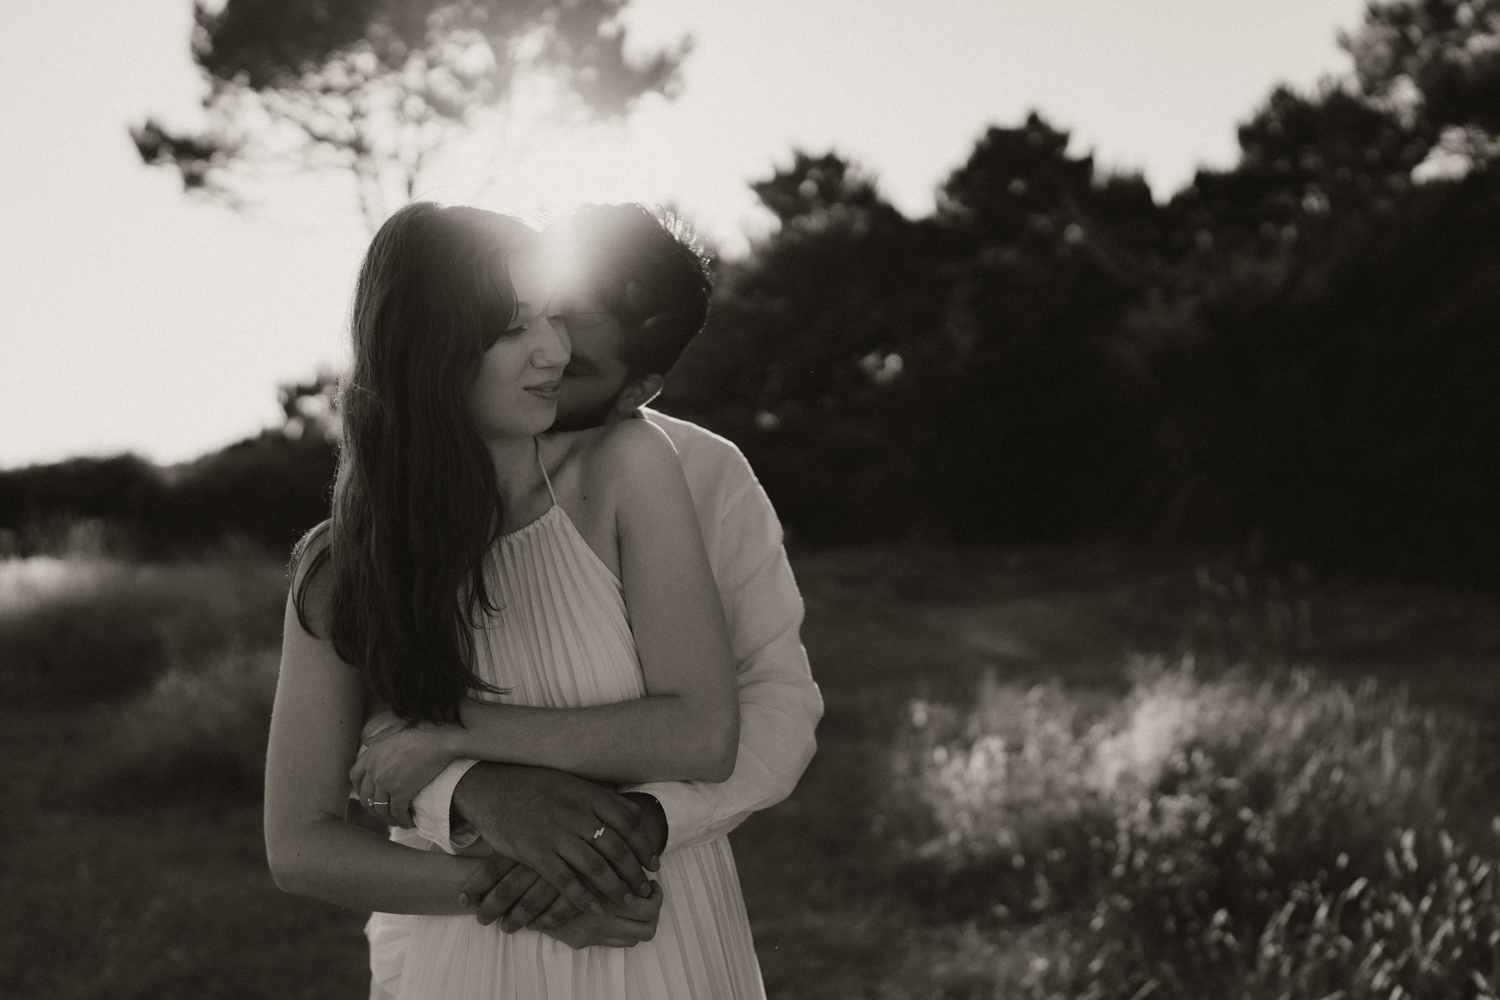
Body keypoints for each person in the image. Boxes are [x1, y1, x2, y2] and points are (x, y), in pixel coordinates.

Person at [264, 202, 777, 999]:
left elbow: (704, 733)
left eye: (552, 317)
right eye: (512, 329)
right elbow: (297, 845)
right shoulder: (342, 565)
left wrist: (448, 733)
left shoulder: (629, 469)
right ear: (427, 352)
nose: (553, 349)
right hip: (470, 956)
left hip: (652, 945)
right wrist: (515, 889)